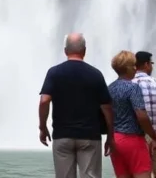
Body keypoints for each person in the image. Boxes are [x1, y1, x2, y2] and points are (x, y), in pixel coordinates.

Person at [39, 33, 116, 178]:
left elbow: (44, 101)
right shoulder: (96, 74)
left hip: (62, 135)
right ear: (84, 51)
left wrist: (43, 127)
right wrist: (110, 136)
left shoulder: (54, 73)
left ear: (65, 51)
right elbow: (107, 108)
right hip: (90, 136)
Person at [109, 50, 156, 178]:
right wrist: (153, 135)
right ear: (127, 68)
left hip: (115, 140)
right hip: (133, 140)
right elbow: (141, 115)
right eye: (133, 66)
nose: (135, 69)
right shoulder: (133, 88)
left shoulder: (110, 88)